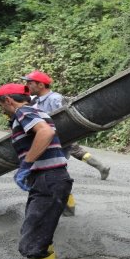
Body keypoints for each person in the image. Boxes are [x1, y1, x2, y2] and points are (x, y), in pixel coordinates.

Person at [0, 83, 73, 259]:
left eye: (0, 103)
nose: (1, 109)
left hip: (49, 180)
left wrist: (26, 164)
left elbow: (45, 132)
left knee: (35, 237)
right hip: (47, 180)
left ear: (8, 100)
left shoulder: (24, 111)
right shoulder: (34, 110)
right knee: (38, 231)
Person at [22, 70, 109, 215]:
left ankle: (68, 208)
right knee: (53, 174)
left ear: (41, 84)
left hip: (59, 142)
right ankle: (61, 206)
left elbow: (66, 121)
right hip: (48, 143)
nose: (27, 85)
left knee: (58, 175)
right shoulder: (35, 101)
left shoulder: (55, 99)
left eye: (29, 83)